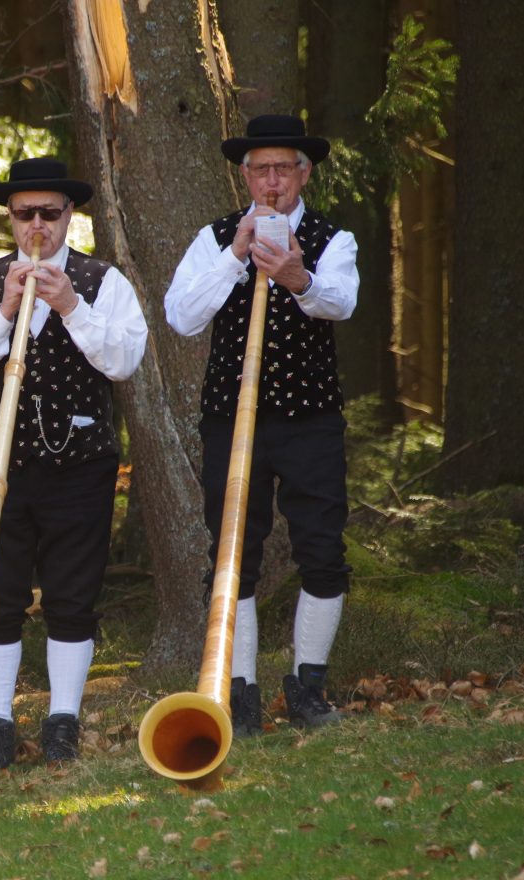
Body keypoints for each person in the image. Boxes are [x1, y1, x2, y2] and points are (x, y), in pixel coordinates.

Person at [0, 157, 148, 773]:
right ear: (10, 218)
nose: (36, 225)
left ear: (69, 215)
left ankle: (62, 721)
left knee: (71, 596)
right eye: (24, 213)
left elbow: (124, 361)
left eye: (48, 213)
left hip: (80, 467)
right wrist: (4, 310)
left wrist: (72, 307)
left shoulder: (102, 280)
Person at [164, 115, 358, 735]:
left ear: (305, 173)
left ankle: (308, 687)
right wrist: (235, 258)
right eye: (261, 170)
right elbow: (180, 316)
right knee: (232, 551)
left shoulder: (333, 239)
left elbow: (342, 302)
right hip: (231, 419)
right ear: (245, 176)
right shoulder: (216, 238)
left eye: (283, 169)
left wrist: (299, 277)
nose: (272, 181)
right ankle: (238, 690)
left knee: (322, 549)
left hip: (310, 420)